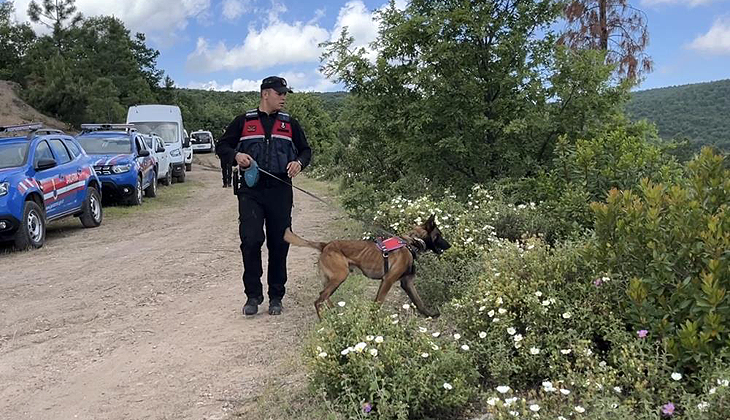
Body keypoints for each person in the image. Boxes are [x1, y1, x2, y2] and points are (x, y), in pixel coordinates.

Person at [216, 76, 312, 316]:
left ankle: (276, 296)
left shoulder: (290, 124)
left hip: (280, 189)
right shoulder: (243, 121)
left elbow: (306, 150)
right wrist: (236, 156)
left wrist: (299, 163)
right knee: (251, 240)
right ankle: (252, 295)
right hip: (251, 190)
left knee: (279, 243)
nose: (283, 97)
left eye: (285, 93)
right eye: (279, 93)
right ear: (265, 94)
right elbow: (223, 147)